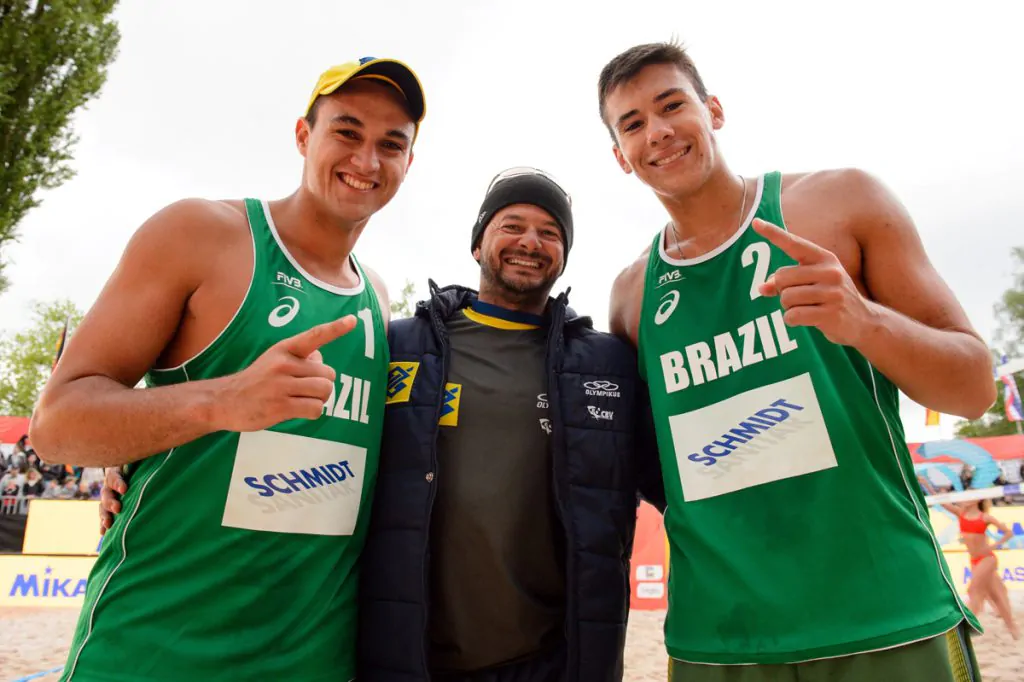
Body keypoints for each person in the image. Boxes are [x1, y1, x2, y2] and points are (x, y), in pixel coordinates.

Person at [599, 41, 996, 680]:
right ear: (620, 156)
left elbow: (974, 388)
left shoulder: (839, 203)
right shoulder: (632, 294)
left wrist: (866, 323)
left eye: (672, 106)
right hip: (719, 639)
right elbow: (652, 464)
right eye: (634, 123)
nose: (659, 132)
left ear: (714, 111)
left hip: (883, 615)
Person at [30, 56, 426, 682]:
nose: (367, 160)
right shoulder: (203, 234)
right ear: (304, 135)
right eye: (347, 132)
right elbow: (56, 426)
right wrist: (219, 401)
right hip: (156, 649)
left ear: (409, 163)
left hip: (309, 661)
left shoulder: (377, 300)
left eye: (391, 144)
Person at [356, 167, 663, 682]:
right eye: (512, 225)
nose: (530, 242)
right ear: (478, 244)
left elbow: (672, 484)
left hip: (553, 661)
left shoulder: (608, 364)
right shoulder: (401, 346)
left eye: (550, 232)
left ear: (564, 255)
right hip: (415, 657)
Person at [924, 478, 1021, 640]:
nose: (965, 499)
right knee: (997, 596)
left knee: (973, 591)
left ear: (978, 499)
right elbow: (941, 502)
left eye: (969, 496)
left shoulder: (984, 517)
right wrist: (927, 484)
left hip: (987, 559)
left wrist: (994, 546)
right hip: (975, 560)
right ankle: (1012, 628)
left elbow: (1008, 532)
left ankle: (967, 628)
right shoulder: (961, 513)